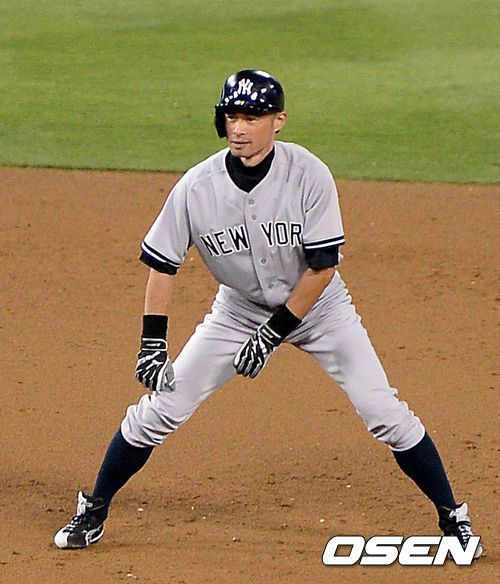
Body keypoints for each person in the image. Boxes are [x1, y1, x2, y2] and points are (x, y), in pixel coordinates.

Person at [54, 69, 482, 559]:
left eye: (253, 117)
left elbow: (322, 268)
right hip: (237, 311)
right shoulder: (196, 187)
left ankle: (452, 515)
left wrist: (274, 332)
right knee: (162, 407)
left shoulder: (308, 174)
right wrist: (153, 341)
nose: (239, 128)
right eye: (232, 116)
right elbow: (163, 264)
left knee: (383, 411)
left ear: (278, 121)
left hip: (321, 309)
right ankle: (95, 508)